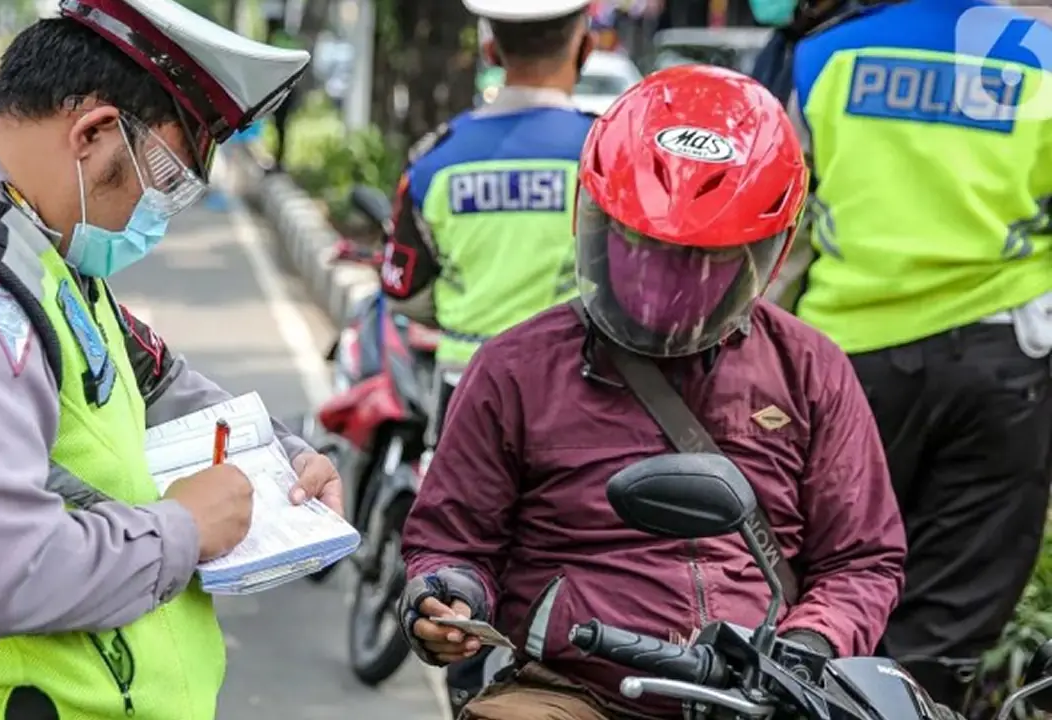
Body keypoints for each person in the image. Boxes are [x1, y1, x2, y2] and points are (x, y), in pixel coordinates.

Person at [0, 1, 338, 717]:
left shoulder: (31, 243)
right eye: (164, 181)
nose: (156, 212)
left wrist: (279, 459)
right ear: (92, 132)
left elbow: (145, 378)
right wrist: (182, 529)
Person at [396, 65, 908, 720]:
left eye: (705, 262)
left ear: (762, 257)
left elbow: (861, 558)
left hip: (759, 698)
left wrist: (806, 647)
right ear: (595, 227)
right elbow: (453, 537)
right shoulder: (515, 369)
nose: (668, 284)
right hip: (572, 689)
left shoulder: (809, 370)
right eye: (641, 246)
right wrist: (447, 596)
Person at [773, 0, 1052, 709]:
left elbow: (783, 218)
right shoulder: (1041, 53)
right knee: (950, 617)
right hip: (1002, 360)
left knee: (832, 580)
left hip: (845, 362)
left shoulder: (823, 57)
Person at [379, 0, 598, 370]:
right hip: (572, 383)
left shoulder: (432, 161)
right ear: (586, 48)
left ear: (491, 51)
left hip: (463, 383)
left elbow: (401, 290)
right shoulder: (606, 153)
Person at [265, 16, 302, 172]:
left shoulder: (274, 41)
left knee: (279, 127)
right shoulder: (291, 41)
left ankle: (279, 161)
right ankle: (280, 161)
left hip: (280, 91)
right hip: (290, 91)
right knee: (282, 127)